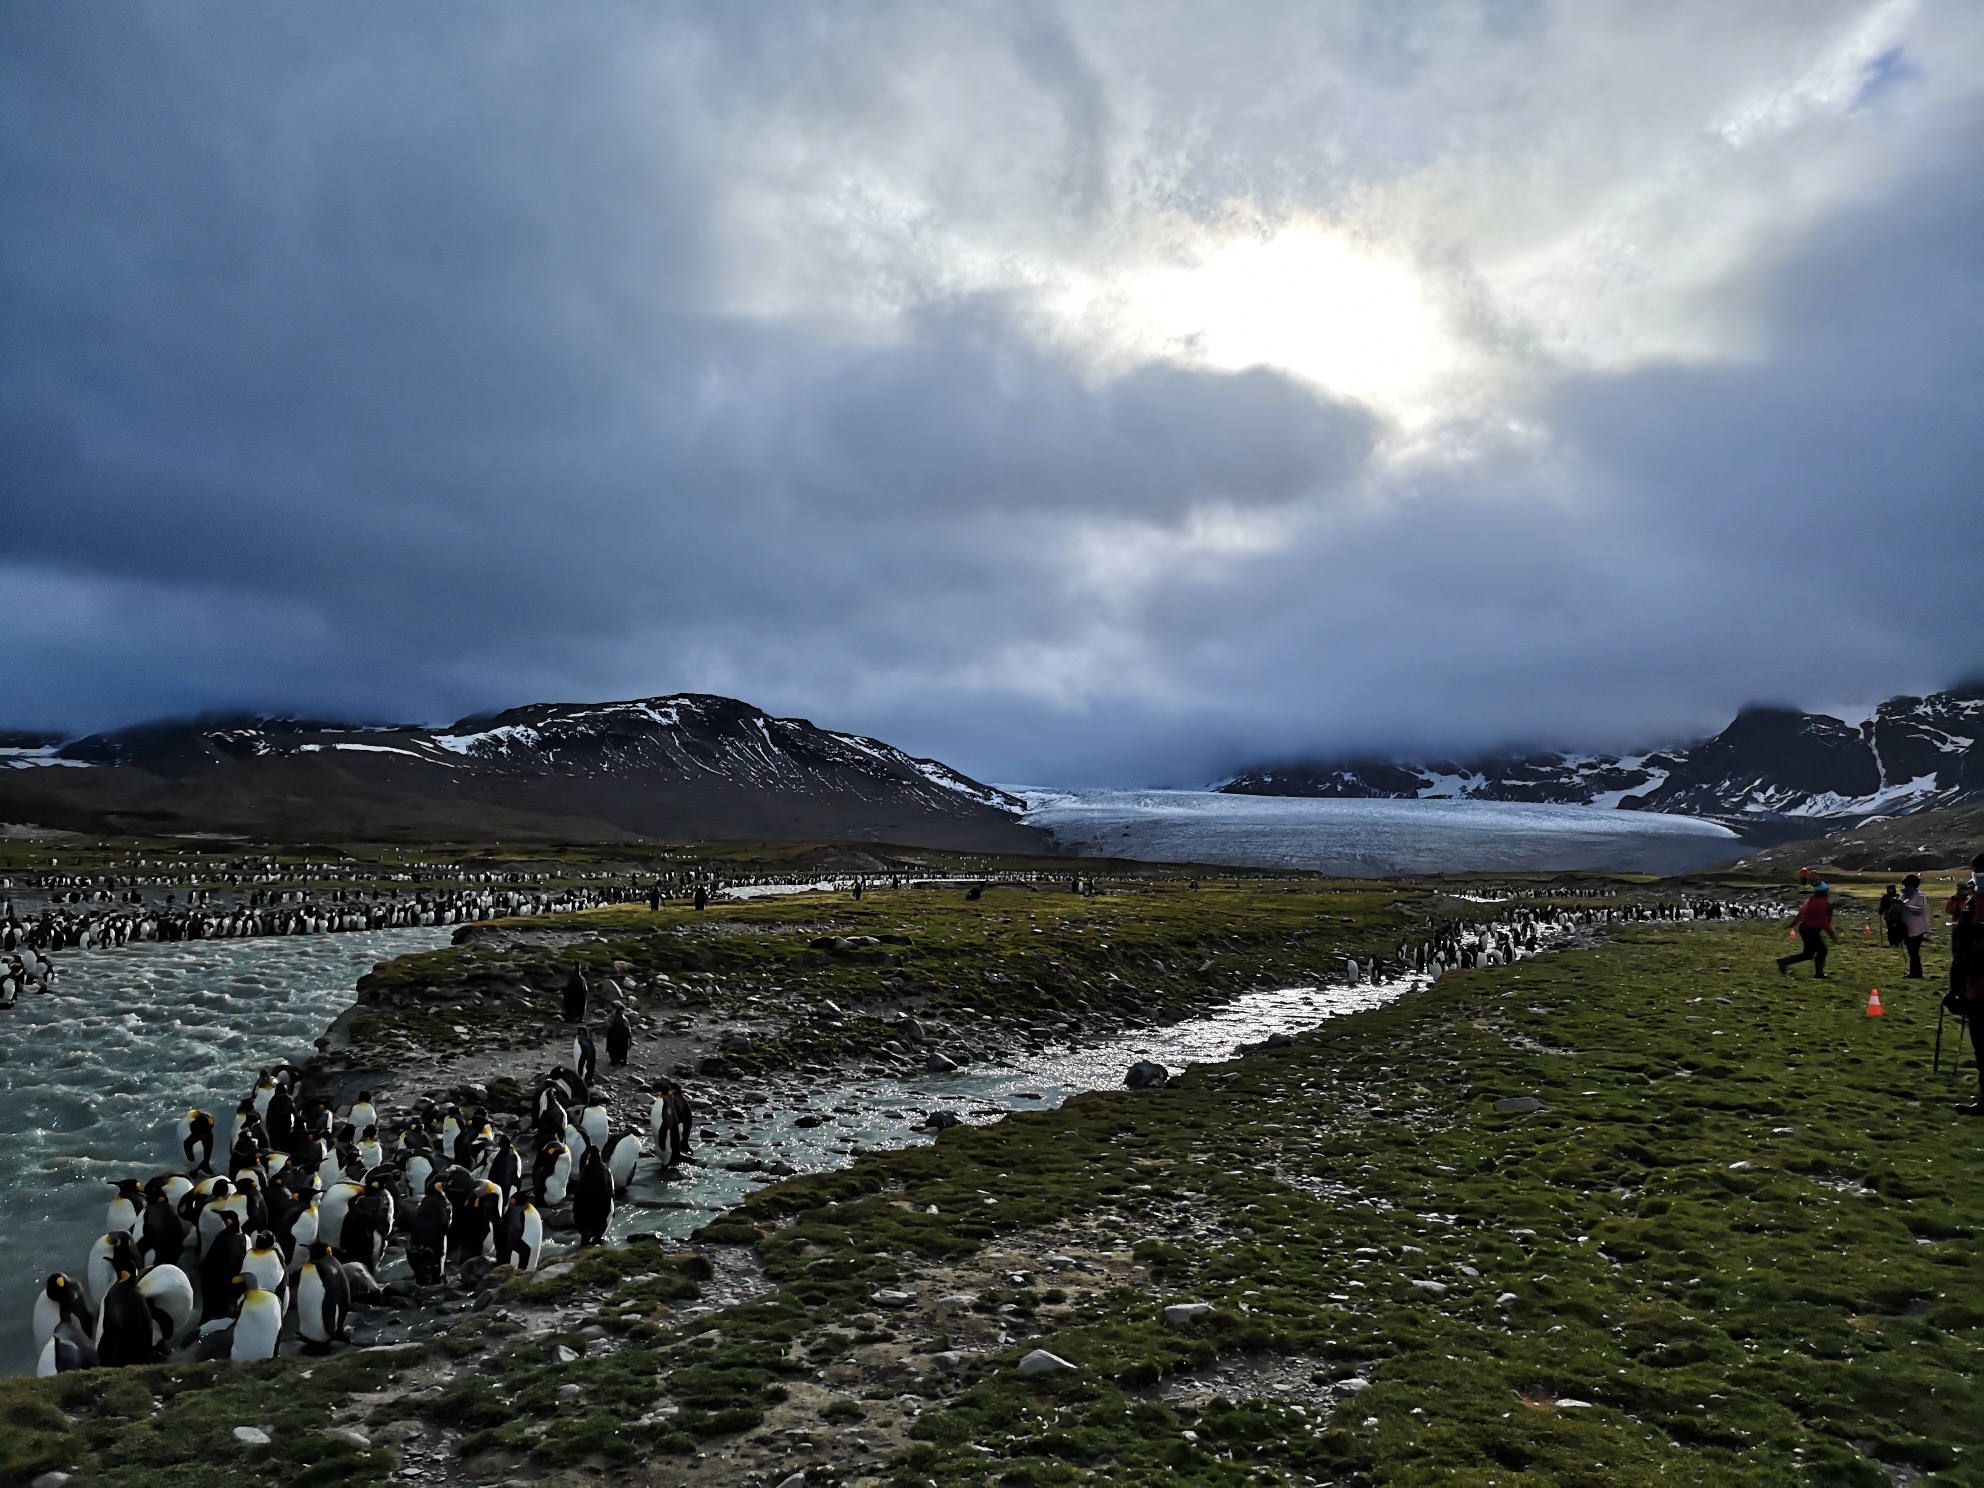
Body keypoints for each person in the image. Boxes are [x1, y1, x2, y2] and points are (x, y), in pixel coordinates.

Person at [1778, 881, 1838, 978]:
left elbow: (1800, 915)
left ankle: (1784, 962)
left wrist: (1791, 925)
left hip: (1805, 929)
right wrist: (1831, 934)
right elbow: (1823, 920)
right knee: (1821, 951)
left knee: (1809, 953)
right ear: (1824, 891)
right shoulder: (1822, 903)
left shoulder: (1809, 900)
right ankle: (1818, 974)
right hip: (1811, 930)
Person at [1899, 874, 1931, 980]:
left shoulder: (1920, 896)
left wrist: (1906, 906)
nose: (1906, 888)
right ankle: (1913, 972)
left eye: (1908, 886)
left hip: (1918, 928)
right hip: (1906, 927)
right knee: (1910, 951)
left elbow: (1920, 910)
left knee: (1914, 951)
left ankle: (1916, 973)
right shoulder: (1903, 896)